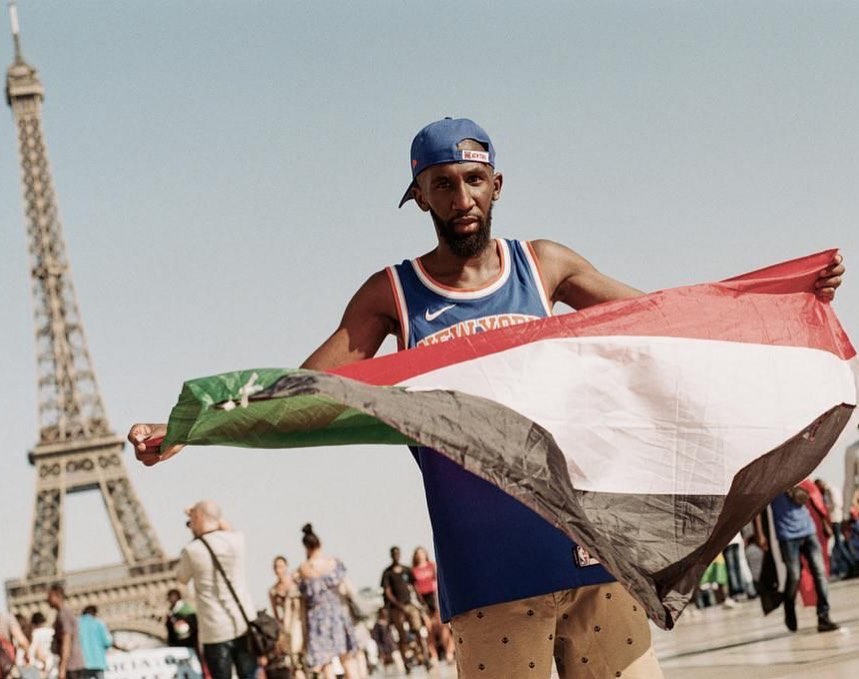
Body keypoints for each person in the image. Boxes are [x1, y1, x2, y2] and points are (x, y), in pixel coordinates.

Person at [128, 117, 845, 678]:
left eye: (473, 179)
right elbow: (309, 389)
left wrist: (779, 302)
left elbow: (662, 324)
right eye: (442, 184)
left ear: (497, 184)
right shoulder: (394, 294)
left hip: (593, 554)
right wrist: (192, 425)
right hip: (489, 574)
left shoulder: (546, 266)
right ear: (418, 196)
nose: (460, 198)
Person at [176, 500, 257, 679]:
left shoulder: (192, 550)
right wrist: (205, 515)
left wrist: (194, 528)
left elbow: (181, 577)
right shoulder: (237, 539)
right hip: (242, 623)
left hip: (214, 630)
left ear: (198, 518)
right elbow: (223, 524)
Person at [754, 487, 839, 633]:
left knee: (820, 574)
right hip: (787, 535)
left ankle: (823, 616)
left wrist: (824, 522)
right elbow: (756, 507)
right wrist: (760, 534)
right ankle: (789, 606)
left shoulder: (796, 471)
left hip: (808, 531)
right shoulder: (769, 478)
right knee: (794, 576)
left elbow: (812, 496)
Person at [295, 524, 358, 679]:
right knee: (347, 658)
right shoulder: (333, 563)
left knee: (325, 662)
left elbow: (301, 597)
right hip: (336, 612)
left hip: (316, 617)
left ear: (305, 547)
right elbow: (346, 588)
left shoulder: (303, 569)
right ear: (320, 544)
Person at [380, 547, 428, 673]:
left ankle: (426, 658)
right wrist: (397, 605)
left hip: (409, 604)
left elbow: (414, 586)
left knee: (418, 631)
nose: (396, 556)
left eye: (397, 553)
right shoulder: (387, 573)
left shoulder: (407, 570)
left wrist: (421, 601)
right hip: (396, 608)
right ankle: (406, 663)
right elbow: (387, 592)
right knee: (402, 635)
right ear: (391, 555)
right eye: (394, 554)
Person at [411, 546, 453, 663]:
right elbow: (414, 588)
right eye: (418, 553)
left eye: (422, 553)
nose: (420, 555)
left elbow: (438, 581)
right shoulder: (413, 570)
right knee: (429, 630)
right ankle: (433, 655)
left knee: (443, 627)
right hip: (423, 602)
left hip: (435, 598)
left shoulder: (432, 566)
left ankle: (448, 652)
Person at [268, 555, 305, 678]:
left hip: (299, 626)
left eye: (281, 566)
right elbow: (276, 614)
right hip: (286, 630)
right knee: (293, 664)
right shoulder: (273, 590)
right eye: (276, 567)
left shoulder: (295, 585)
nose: (279, 570)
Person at [47, 583, 84, 679]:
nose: (47, 600)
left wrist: (62, 667)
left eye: (49, 596)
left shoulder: (63, 614)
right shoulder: (65, 612)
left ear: (56, 595)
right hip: (74, 662)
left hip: (71, 664)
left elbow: (66, 640)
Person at [77, 606, 112, 679]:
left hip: (83, 662)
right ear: (94, 613)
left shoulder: (77, 623)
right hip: (98, 661)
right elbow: (107, 642)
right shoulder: (99, 623)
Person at [24, 612, 55, 679]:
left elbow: (33, 650)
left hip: (40, 666)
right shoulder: (51, 631)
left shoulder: (35, 633)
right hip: (52, 664)